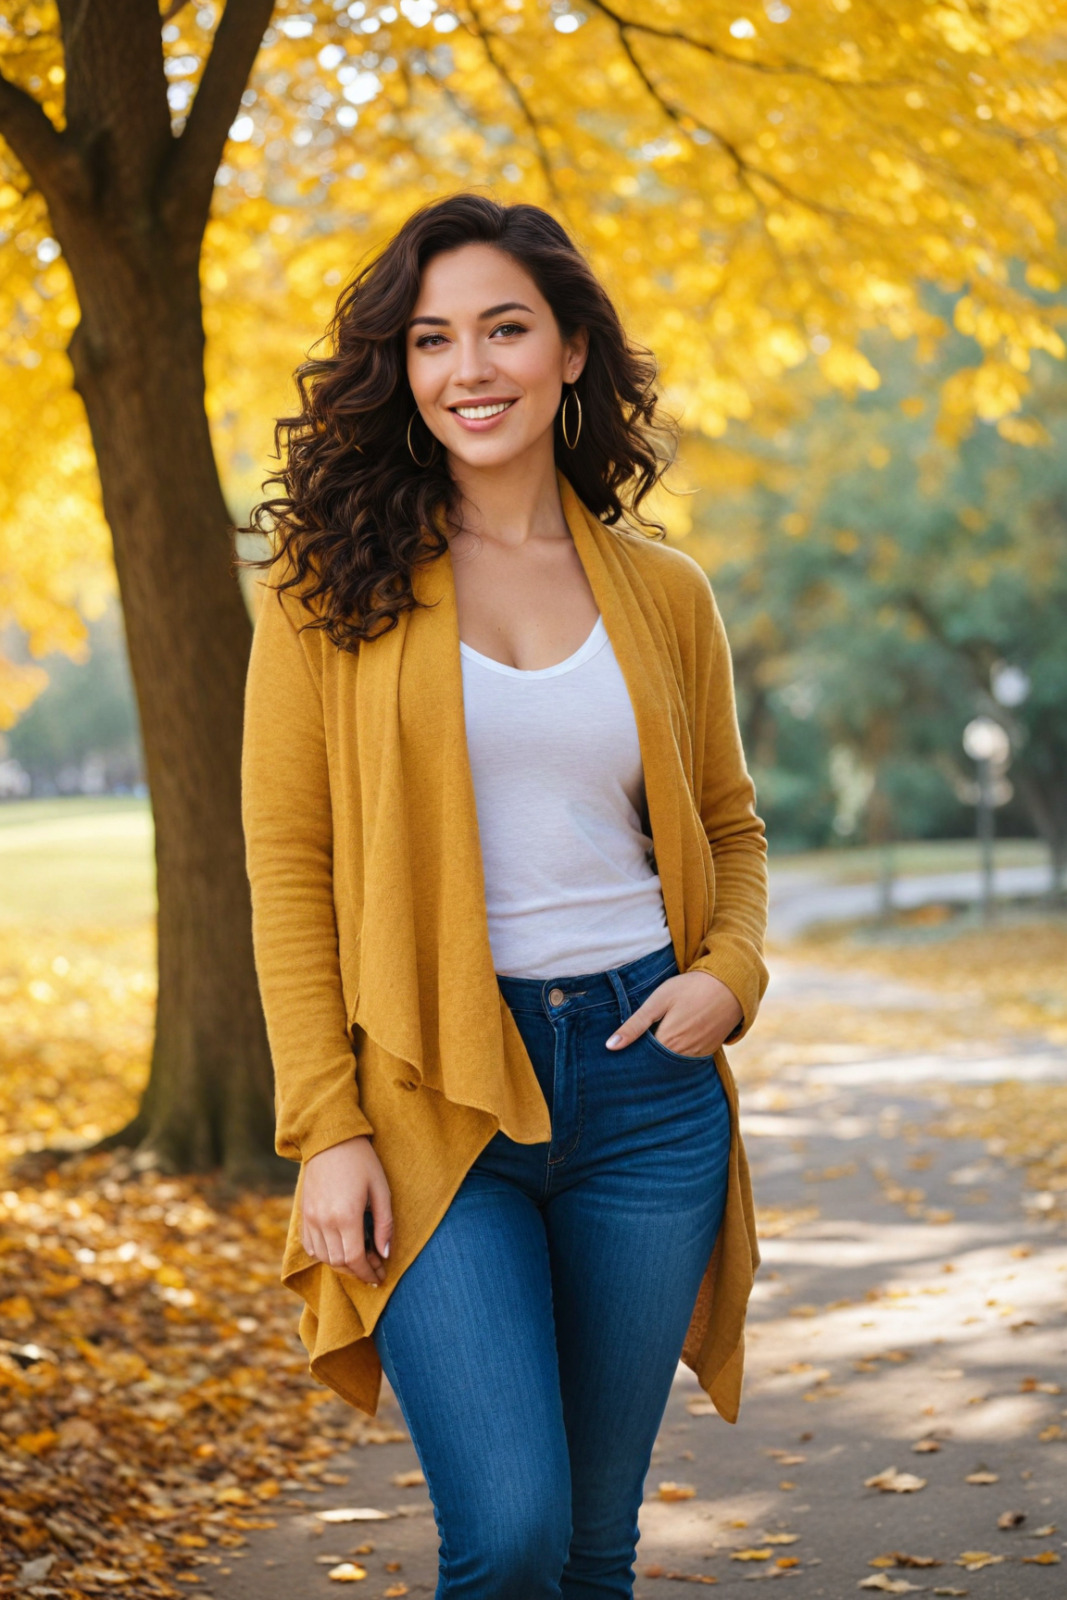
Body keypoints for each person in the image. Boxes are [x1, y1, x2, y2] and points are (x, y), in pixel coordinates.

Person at [239, 193, 769, 1600]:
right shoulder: (327, 592)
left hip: (643, 1086)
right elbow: (288, 867)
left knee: (596, 1548)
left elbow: (729, 825)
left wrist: (729, 977)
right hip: (431, 1088)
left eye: (504, 328)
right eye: (431, 339)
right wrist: (326, 1125)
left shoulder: (667, 594)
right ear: (401, 372)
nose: (468, 367)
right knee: (513, 1530)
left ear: (574, 351)